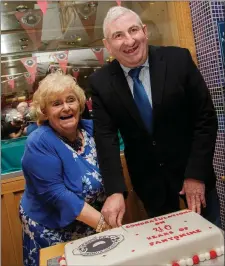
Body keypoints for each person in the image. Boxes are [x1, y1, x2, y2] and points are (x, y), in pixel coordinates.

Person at [88, 6, 220, 229]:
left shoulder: (178, 59)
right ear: (107, 45)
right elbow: (105, 138)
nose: (129, 41)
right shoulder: (100, 83)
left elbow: (205, 118)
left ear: (145, 31)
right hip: (151, 187)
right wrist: (114, 191)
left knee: (212, 249)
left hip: (195, 178)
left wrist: (196, 174)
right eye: (118, 35)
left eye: (133, 30)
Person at [19, 72, 111, 266]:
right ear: (44, 111)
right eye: (56, 103)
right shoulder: (39, 142)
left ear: (80, 104)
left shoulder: (92, 129)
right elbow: (57, 194)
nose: (66, 107)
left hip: (89, 225)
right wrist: (105, 225)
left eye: (71, 100)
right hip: (51, 230)